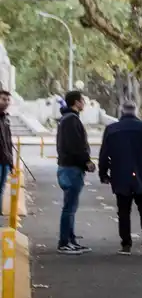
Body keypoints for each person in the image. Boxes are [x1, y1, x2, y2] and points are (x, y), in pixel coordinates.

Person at [99, 99, 142, 255]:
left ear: (122, 111)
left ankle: (126, 244)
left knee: (123, 211)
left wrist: (103, 173)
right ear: (135, 111)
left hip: (120, 175)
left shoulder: (111, 129)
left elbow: (104, 154)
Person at [55, 91, 94, 253]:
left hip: (68, 167)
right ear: (76, 102)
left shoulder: (68, 119)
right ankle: (64, 242)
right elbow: (75, 146)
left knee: (70, 206)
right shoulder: (71, 120)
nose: (84, 103)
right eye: (82, 100)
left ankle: (70, 239)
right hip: (71, 168)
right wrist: (86, 161)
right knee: (69, 207)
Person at [0, 88, 13, 200]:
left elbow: (9, 142)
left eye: (8, 100)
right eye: (4, 99)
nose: (6, 102)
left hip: (5, 161)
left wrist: (11, 161)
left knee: (2, 188)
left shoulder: (5, 119)